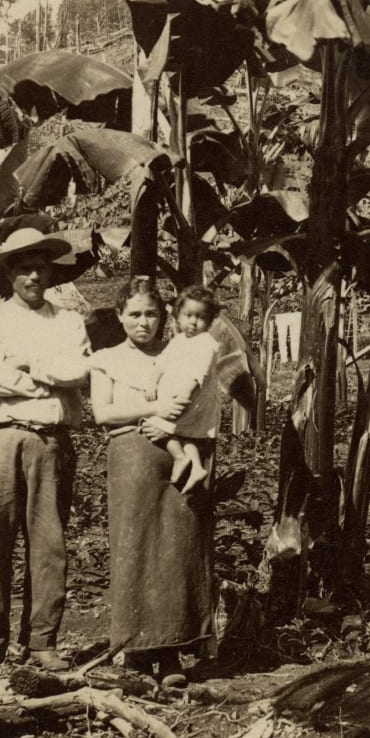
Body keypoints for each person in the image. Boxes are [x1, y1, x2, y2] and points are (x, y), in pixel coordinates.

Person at [0, 227, 91, 671]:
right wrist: (44, 382)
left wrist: (28, 367)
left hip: (50, 442)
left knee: (49, 544)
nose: (33, 277)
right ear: (9, 274)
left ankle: (42, 640)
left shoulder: (69, 321)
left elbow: (78, 371)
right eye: (23, 269)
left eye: (40, 268)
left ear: (50, 271)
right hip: (0, 439)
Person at [90, 278, 218, 680]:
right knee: (135, 547)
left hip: (180, 455)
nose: (143, 322)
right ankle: (135, 651)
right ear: (120, 317)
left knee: (178, 551)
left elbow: (201, 396)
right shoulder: (106, 358)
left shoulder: (183, 348)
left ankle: (173, 652)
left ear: (164, 316)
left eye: (151, 313)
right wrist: (154, 407)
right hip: (131, 457)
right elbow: (103, 414)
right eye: (134, 314)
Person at [144, 285, 223, 493]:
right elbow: (160, 364)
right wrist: (152, 382)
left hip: (190, 398)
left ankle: (180, 457)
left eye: (201, 317)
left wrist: (186, 393)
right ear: (178, 316)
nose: (193, 322)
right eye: (188, 315)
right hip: (175, 395)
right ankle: (196, 467)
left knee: (154, 423)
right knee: (184, 435)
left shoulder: (206, 343)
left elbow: (199, 373)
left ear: (210, 320)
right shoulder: (178, 341)